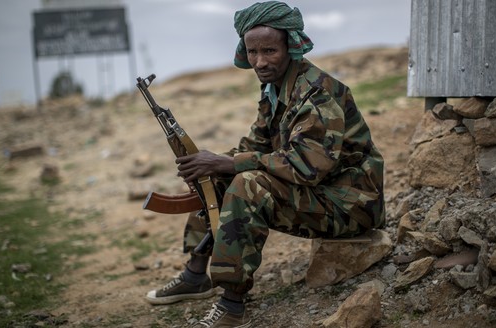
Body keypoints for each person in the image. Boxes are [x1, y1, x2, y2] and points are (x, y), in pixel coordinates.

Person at [145, 1, 385, 327]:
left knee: (247, 184)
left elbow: (308, 166)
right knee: (217, 174)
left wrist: (229, 164)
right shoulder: (274, 87)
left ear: (291, 46)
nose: (260, 61)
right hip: (321, 195)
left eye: (269, 51)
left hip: (350, 204)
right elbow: (254, 146)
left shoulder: (316, 93)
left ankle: (232, 304)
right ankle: (196, 273)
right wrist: (211, 164)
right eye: (252, 52)